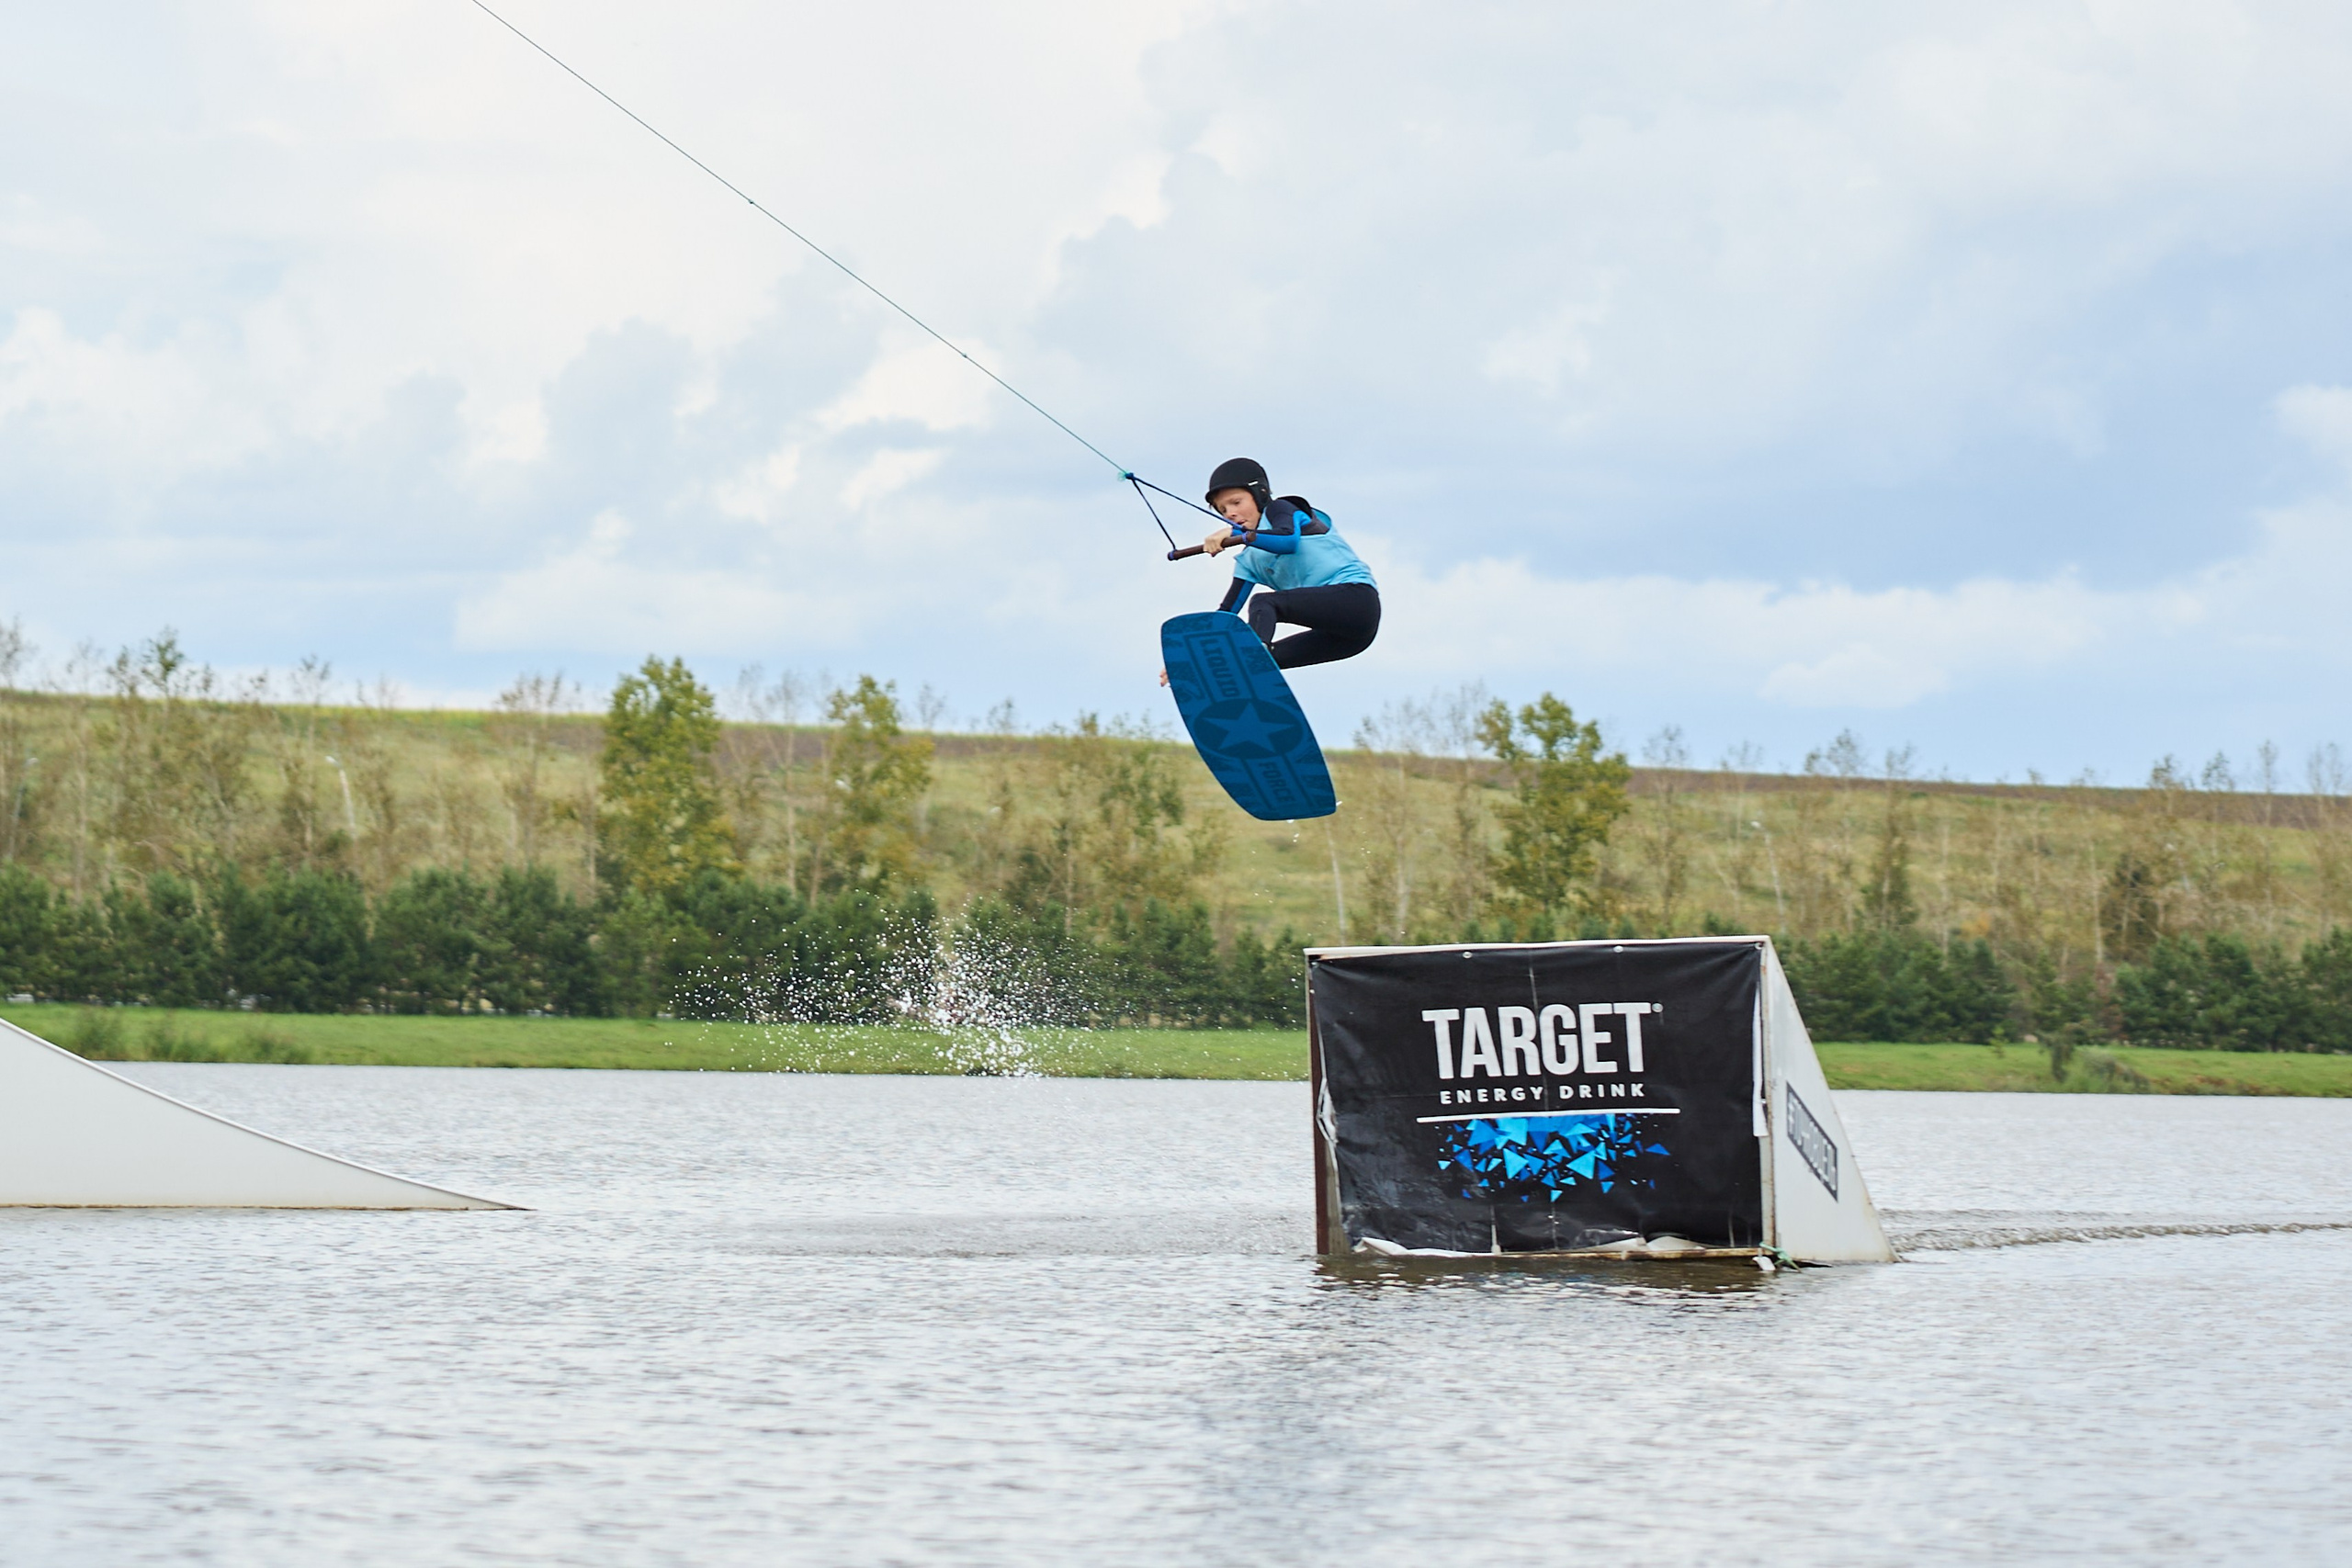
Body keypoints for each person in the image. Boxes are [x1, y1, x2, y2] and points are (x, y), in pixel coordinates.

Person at [1183, 457, 1381, 671]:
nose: (1230, 513)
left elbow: (1287, 540)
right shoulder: (1249, 560)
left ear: (1260, 495)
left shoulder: (1281, 509)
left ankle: (1254, 655)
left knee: (1263, 603)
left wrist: (1234, 532)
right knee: (1262, 661)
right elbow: (1227, 615)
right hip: (1345, 638)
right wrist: (1193, 660)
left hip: (1357, 601)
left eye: (1236, 502)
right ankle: (1249, 674)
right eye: (1222, 510)